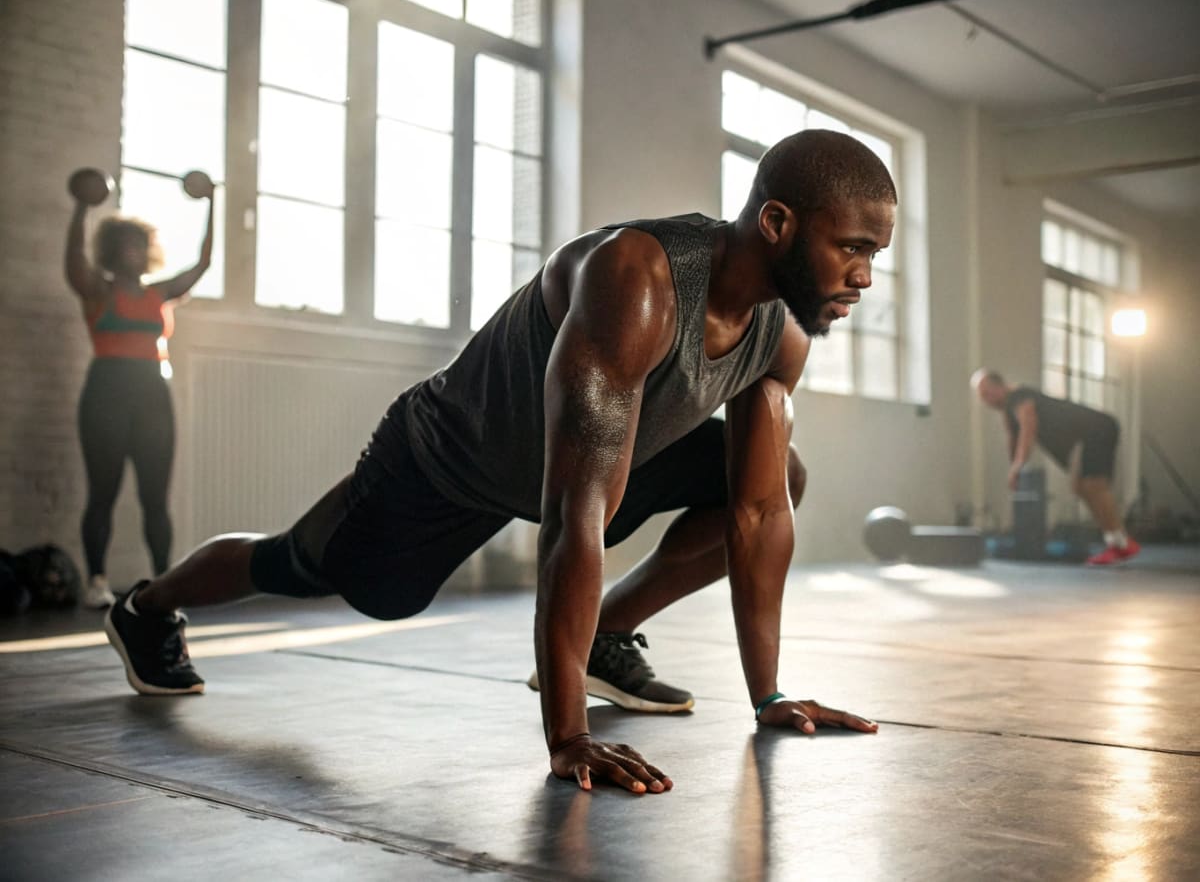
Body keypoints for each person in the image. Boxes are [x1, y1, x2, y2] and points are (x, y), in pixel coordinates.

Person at [105, 130, 895, 793]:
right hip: (451, 457)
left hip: (600, 454)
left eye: (876, 256)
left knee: (778, 474)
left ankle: (608, 637)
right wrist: (568, 738)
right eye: (853, 248)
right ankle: (145, 608)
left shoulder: (780, 334)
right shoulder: (638, 279)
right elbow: (573, 513)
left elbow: (756, 513)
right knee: (312, 569)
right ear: (778, 222)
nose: (863, 277)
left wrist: (771, 697)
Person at [65, 173, 216, 607]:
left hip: (153, 394)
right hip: (107, 393)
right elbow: (74, 260)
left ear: (146, 250)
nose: (132, 251)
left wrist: (213, 202)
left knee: (155, 496)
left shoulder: (159, 293)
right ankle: (96, 582)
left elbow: (202, 264)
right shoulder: (98, 292)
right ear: (112, 250)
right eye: (124, 244)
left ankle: (165, 581)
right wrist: (81, 207)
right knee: (103, 491)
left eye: (138, 244)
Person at [971, 369, 1139, 566]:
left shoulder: (1019, 397)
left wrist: (1017, 466)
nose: (984, 400)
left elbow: (1028, 427)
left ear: (998, 387)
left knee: (1094, 486)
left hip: (1096, 429)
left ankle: (1122, 544)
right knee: (1080, 487)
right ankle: (1116, 542)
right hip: (1089, 435)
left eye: (985, 393)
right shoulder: (1009, 409)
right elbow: (1012, 437)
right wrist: (1013, 468)